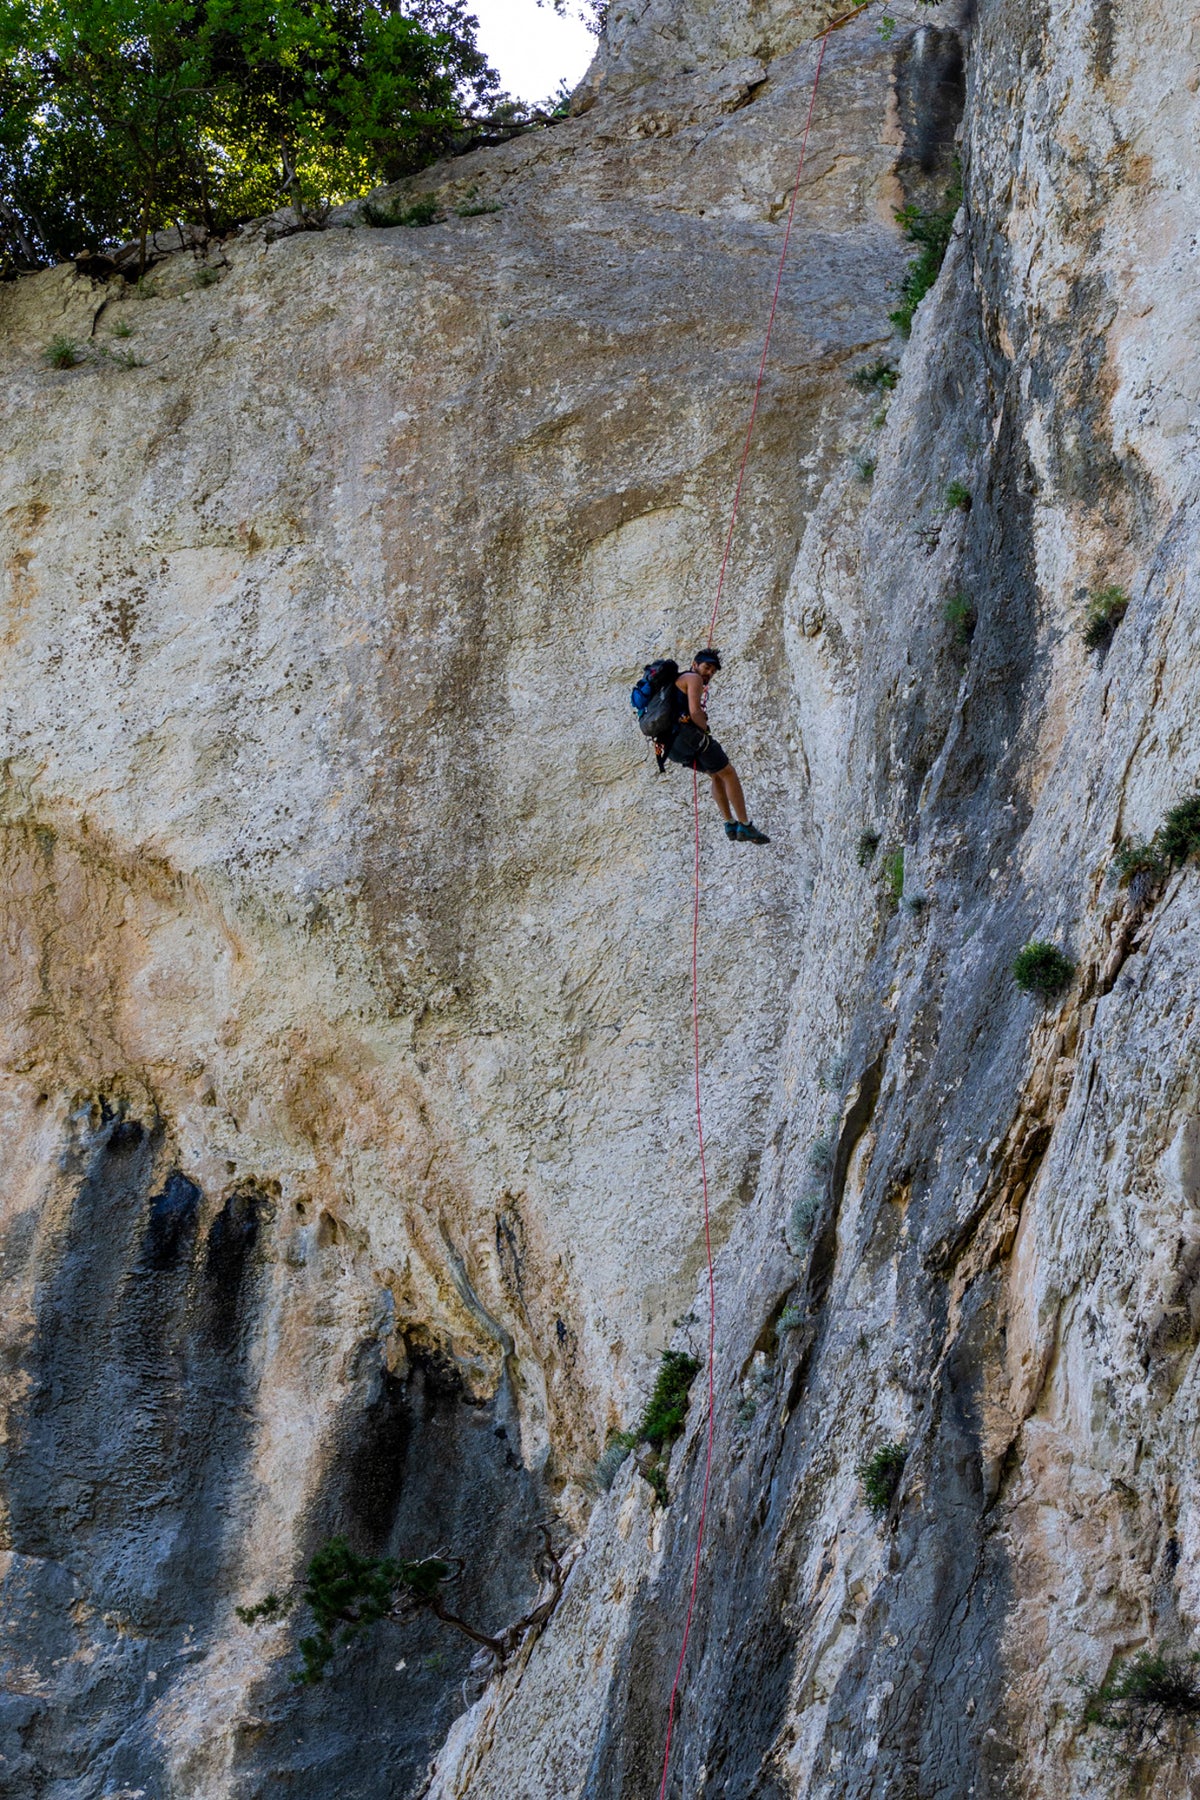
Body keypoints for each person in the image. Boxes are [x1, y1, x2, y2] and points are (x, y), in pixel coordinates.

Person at [658, 649, 770, 843]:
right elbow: (695, 712)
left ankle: (729, 823)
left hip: (669, 748)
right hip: (686, 736)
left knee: (716, 774)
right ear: (695, 664)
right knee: (728, 772)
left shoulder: (674, 683)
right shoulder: (693, 678)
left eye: (713, 671)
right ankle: (745, 825)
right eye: (706, 667)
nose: (709, 673)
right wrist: (704, 729)